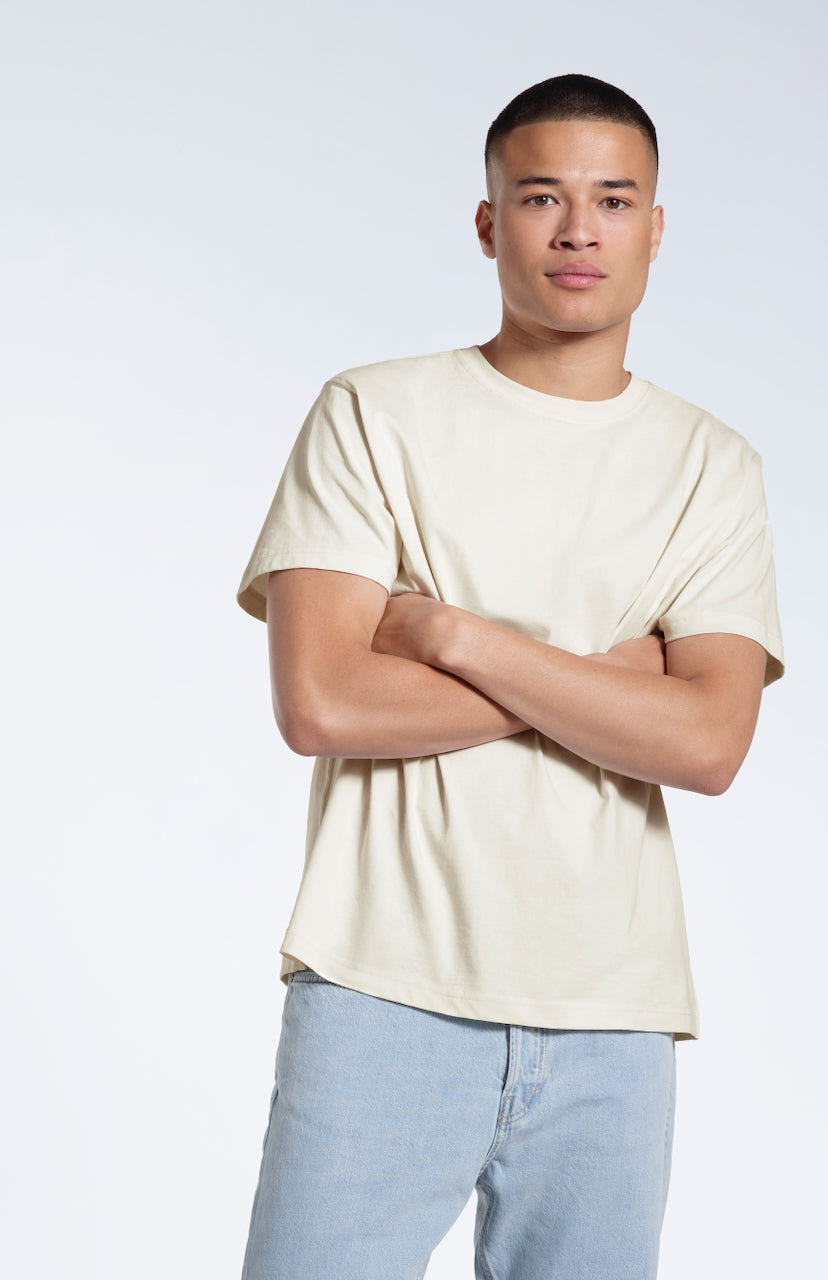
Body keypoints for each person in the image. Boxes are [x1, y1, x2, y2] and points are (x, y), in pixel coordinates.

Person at [235, 73, 784, 1280]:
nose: (577, 230)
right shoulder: (373, 415)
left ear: (654, 226)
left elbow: (706, 744)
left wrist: (457, 636)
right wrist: (604, 682)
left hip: (613, 1011)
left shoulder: (710, 466)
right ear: (488, 223)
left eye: (612, 199)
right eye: (540, 197)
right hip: (383, 982)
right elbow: (321, 702)